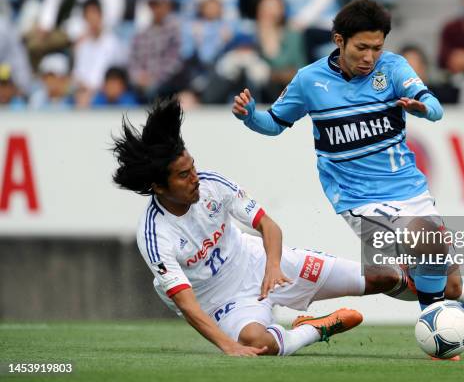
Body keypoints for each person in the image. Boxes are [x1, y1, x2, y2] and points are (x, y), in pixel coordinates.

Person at [232, 0, 464, 315]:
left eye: (377, 48)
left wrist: (424, 109)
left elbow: (436, 109)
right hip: (356, 196)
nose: (370, 57)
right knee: (390, 270)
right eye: (361, 47)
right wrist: (249, 116)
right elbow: (274, 124)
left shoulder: (393, 68)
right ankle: (435, 323)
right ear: (339, 40)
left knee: (445, 286)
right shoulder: (309, 80)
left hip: (408, 189)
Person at [111, 97, 410, 356]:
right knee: (258, 343)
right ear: (159, 188)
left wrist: (274, 266)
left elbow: (267, 224)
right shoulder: (155, 234)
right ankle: (313, 330)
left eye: (193, 168)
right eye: (183, 175)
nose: (195, 178)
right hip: (220, 301)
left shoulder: (214, 185)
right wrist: (228, 346)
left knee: (383, 277)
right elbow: (187, 304)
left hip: (258, 262)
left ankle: (456, 294)